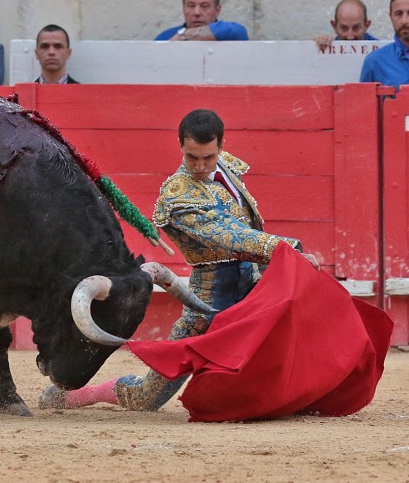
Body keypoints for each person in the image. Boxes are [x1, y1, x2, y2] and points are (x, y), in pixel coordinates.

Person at [39, 108, 319, 412]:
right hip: (209, 302)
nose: (199, 166)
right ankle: (82, 395)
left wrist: (279, 264)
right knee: (148, 397)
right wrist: (287, 248)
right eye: (191, 157)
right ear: (180, 146)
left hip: (252, 287)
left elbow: (250, 227)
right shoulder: (178, 195)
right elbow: (232, 236)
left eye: (208, 157)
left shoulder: (227, 169)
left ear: (221, 147)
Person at [359, 0, 409, 91]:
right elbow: (364, 103)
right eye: (398, 14)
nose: (404, 20)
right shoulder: (374, 61)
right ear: (390, 16)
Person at [155, 0, 248, 42]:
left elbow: (239, 31)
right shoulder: (166, 38)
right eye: (191, 6)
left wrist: (184, 35)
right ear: (183, 9)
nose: (197, 13)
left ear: (217, 10)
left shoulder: (230, 36)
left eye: (204, 6)